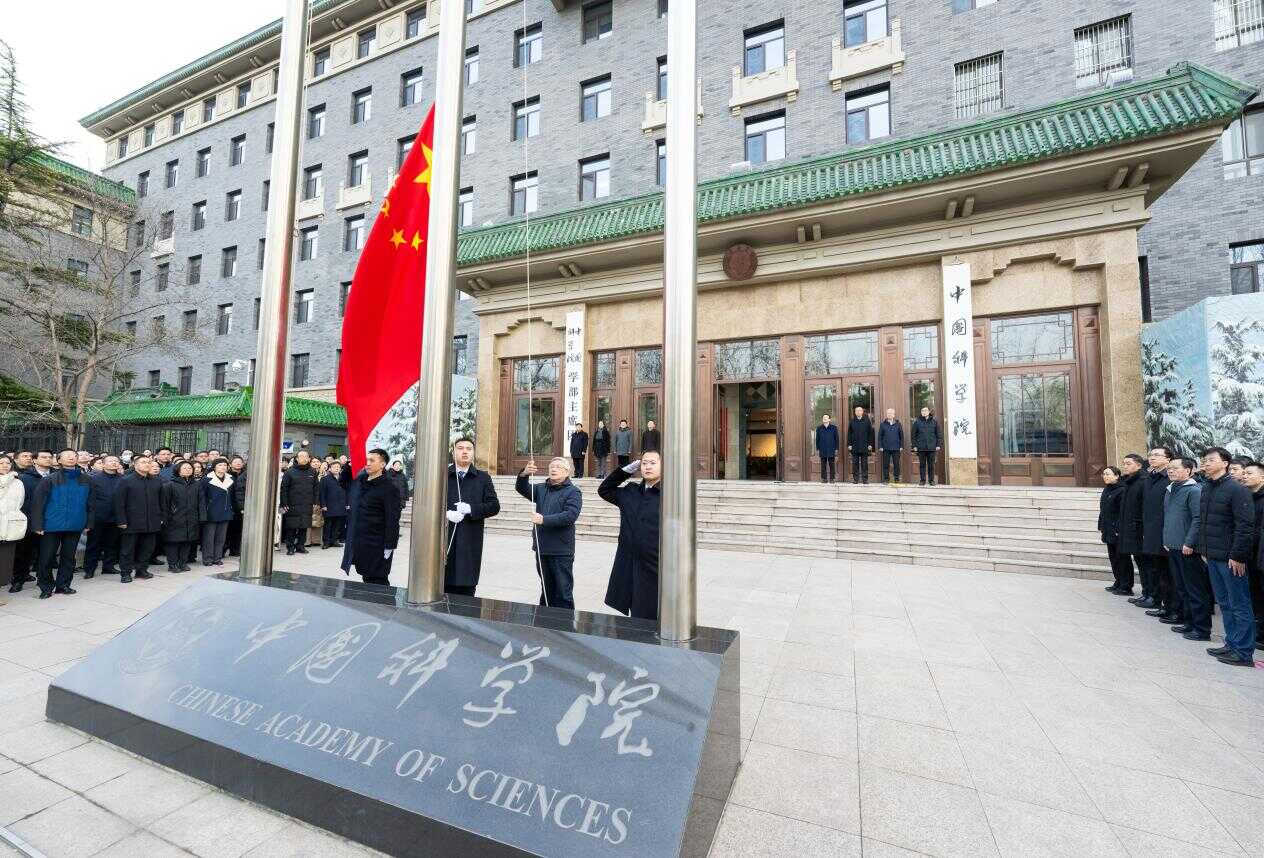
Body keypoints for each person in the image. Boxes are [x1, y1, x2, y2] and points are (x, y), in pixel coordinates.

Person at [1198, 447, 1257, 666]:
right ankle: (1231, 643)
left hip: (1231, 558)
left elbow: (1245, 526)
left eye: (1211, 460)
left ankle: (1243, 651)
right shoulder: (1207, 487)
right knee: (1224, 603)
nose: (1206, 463)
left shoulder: (1237, 489)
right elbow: (1205, 522)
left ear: (1225, 463)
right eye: (1205, 460)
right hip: (1213, 555)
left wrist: (1238, 555)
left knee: (1239, 603)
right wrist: (1204, 550)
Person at [599, 451, 661, 620]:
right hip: (629, 562)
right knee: (635, 612)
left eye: (653, 463)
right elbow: (604, 490)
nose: (647, 467)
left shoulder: (670, 496)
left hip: (655, 564)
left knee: (652, 611)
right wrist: (624, 471)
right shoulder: (630, 491)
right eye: (644, 463)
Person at [517, 458, 582, 608]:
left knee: (563, 591)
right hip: (542, 547)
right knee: (546, 590)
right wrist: (524, 474)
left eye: (558, 467)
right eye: (552, 466)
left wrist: (544, 519)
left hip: (561, 550)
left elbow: (570, 515)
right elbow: (522, 488)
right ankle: (544, 620)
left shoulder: (573, 492)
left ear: (567, 472)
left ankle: (565, 621)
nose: (553, 469)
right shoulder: (541, 488)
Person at [444, 437, 501, 597]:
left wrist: (471, 509)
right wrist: (446, 514)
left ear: (473, 453)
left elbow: (494, 506)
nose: (465, 452)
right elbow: (428, 502)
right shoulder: (442, 475)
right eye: (460, 448)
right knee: (442, 586)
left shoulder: (482, 478)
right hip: (444, 538)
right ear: (453, 452)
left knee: (466, 591)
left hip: (470, 540)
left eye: (469, 449)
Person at [30, 449, 91, 598]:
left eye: (74, 455)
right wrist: (37, 525)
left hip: (75, 524)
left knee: (69, 558)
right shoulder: (49, 479)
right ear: (58, 460)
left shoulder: (86, 479)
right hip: (51, 525)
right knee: (46, 558)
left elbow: (91, 503)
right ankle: (45, 586)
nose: (71, 457)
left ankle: (63, 585)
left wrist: (89, 522)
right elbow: (38, 504)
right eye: (67, 455)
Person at [341, 448, 401, 586]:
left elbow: (392, 519)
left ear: (382, 464)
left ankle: (383, 600)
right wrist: (349, 466)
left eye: (372, 460)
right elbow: (343, 482)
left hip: (377, 543)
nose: (367, 463)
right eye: (367, 460)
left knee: (378, 580)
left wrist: (390, 545)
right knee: (366, 577)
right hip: (361, 540)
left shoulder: (389, 488)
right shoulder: (361, 481)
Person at [1163, 457, 1204, 638]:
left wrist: (1189, 542)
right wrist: (1166, 539)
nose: (1170, 471)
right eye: (1169, 468)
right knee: (1181, 587)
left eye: (1175, 468)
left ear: (1188, 471)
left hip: (1187, 548)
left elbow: (1197, 518)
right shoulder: (1170, 489)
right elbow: (1168, 517)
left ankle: (1201, 628)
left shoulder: (1194, 491)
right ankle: (1189, 623)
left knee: (1193, 589)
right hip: (1173, 545)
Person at [115, 455, 165, 583]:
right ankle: (125, 573)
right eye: (143, 462)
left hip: (151, 521)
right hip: (131, 522)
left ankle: (141, 570)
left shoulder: (156, 481)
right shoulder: (126, 480)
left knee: (147, 548)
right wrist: (121, 520)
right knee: (128, 549)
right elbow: (119, 503)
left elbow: (162, 501)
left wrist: (161, 517)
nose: (147, 464)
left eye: (148, 462)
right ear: (135, 465)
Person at [1139, 447, 1173, 618]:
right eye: (1151, 455)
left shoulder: (1170, 479)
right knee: (1157, 569)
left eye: (1157, 455)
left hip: (1165, 532)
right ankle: (1160, 602)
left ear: (1168, 459)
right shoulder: (1150, 478)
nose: (1152, 458)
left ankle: (1171, 607)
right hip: (1151, 530)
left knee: (1167, 573)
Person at [11, 450, 52, 592]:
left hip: (50, 520)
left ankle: (44, 581)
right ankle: (18, 580)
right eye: (44, 457)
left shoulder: (56, 476)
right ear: (35, 460)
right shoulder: (24, 478)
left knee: (46, 554)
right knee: (24, 553)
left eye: (50, 457)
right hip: (29, 520)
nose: (48, 459)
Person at [84, 455, 124, 577]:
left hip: (116, 517)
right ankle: (89, 569)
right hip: (98, 517)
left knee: (112, 544)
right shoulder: (93, 479)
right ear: (103, 464)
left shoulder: (123, 479)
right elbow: (89, 499)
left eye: (116, 461)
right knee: (93, 544)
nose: (114, 463)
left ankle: (108, 566)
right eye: (110, 461)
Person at [161, 461, 201, 572]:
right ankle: (172, 564)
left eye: (190, 468)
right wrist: (165, 519)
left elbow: (200, 502)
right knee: (173, 542)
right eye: (185, 468)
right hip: (174, 519)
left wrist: (201, 517)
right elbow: (165, 504)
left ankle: (183, 563)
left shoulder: (196, 484)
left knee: (187, 542)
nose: (188, 470)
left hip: (191, 518)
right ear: (178, 470)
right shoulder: (170, 485)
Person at [1098, 466, 1132, 595]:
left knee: (1122, 558)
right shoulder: (1107, 489)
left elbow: (1122, 512)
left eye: (1108, 474)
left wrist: (1118, 528)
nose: (1105, 476)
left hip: (1117, 530)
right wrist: (1101, 525)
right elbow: (1103, 510)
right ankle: (1118, 581)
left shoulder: (1122, 490)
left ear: (1117, 476)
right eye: (1104, 474)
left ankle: (1126, 586)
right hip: (1107, 529)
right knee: (1114, 558)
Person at [1118, 453, 1146, 604]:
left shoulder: (1143, 481)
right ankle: (1147, 593)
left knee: (1144, 564)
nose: (1125, 466)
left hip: (1139, 530)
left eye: (1128, 463)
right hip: (1129, 529)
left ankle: (1150, 594)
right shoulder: (1129, 482)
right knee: (1140, 562)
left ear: (1139, 465)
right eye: (1124, 463)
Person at [279, 450, 319, 555]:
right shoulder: (290, 472)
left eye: (306, 457)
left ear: (309, 458)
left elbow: (316, 488)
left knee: (304, 526)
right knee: (291, 527)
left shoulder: (312, 472)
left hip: (307, 503)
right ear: (297, 459)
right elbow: (284, 489)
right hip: (292, 504)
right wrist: (284, 503)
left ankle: (300, 546)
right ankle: (290, 547)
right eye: (302, 456)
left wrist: (315, 501)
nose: (304, 459)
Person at [1243, 461, 1264, 648]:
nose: (1245, 476)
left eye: (1249, 473)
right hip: (1249, 554)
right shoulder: (1246, 496)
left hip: (1260, 555)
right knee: (1254, 593)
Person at [0, 455, 27, 595]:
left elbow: (19, 503)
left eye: (8, 463)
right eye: (1, 463)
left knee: (6, 560)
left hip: (9, 524)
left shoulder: (18, 483)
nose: (5, 465)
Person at [201, 458, 234, 566]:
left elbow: (233, 497)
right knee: (209, 538)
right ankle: (207, 559)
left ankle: (217, 558)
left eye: (225, 465)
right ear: (214, 467)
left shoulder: (230, 479)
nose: (223, 467)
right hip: (211, 512)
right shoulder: (206, 479)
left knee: (221, 538)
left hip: (225, 512)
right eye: (220, 465)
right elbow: (202, 497)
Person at [910, 406, 942, 486]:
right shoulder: (917, 422)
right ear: (921, 413)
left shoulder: (934, 422)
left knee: (931, 465)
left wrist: (938, 444)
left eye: (925, 411)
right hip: (921, 448)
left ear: (928, 412)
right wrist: (914, 446)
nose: (924, 412)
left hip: (931, 448)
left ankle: (931, 480)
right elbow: (913, 435)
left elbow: (938, 434)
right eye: (922, 411)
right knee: (922, 465)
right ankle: (922, 480)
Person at [319, 461, 348, 548]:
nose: (336, 468)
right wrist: (323, 505)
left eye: (338, 467)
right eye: (334, 467)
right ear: (330, 469)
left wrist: (347, 503)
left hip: (341, 505)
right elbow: (322, 493)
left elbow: (347, 492)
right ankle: (326, 542)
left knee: (337, 525)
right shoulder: (325, 479)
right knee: (328, 525)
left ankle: (334, 541)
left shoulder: (343, 479)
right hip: (329, 505)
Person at [846, 406, 875, 485]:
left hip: (864, 445)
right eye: (857, 411)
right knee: (855, 464)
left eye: (860, 411)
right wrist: (849, 444)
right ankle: (856, 479)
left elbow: (870, 433)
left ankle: (865, 479)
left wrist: (870, 444)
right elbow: (849, 433)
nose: (858, 412)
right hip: (854, 446)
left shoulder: (867, 421)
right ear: (855, 413)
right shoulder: (852, 421)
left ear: (862, 412)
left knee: (864, 464)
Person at [225, 455, 246, 556]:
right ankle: (223, 549)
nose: (238, 463)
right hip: (230, 505)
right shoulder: (227, 476)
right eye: (235, 461)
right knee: (227, 530)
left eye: (240, 462)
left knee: (238, 529)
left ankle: (235, 550)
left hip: (241, 506)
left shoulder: (245, 475)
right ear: (230, 464)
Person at [878, 408, 904, 483]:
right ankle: (886, 479)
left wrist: (901, 446)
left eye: (891, 413)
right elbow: (880, 436)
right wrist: (880, 446)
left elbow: (901, 436)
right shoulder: (882, 424)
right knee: (886, 464)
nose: (889, 414)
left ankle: (896, 478)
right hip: (885, 448)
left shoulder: (898, 424)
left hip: (896, 448)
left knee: (896, 464)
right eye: (888, 413)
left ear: (894, 415)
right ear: (886, 414)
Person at [815, 414, 839, 484]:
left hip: (831, 448)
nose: (825, 419)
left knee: (832, 464)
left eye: (826, 418)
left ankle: (832, 479)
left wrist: (836, 448)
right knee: (823, 465)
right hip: (822, 449)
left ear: (829, 419)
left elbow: (836, 439)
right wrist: (818, 448)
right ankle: (824, 478)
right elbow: (817, 439)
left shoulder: (834, 428)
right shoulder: (819, 428)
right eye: (823, 418)